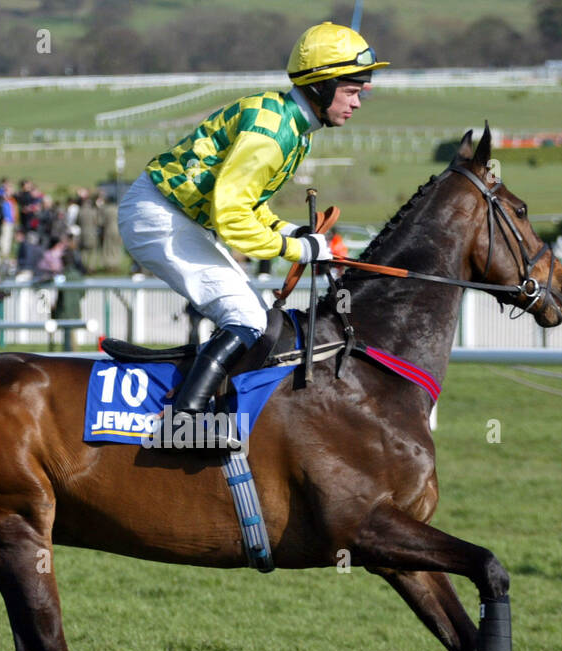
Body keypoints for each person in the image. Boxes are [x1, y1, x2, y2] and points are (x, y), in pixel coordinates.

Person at [117, 21, 387, 449]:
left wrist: (291, 231)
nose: (358, 102)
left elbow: (249, 205)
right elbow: (229, 216)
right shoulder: (274, 134)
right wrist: (295, 248)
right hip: (159, 217)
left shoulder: (288, 124)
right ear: (320, 85)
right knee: (246, 316)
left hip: (174, 214)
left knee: (256, 319)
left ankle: (209, 407)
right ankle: (183, 421)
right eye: (352, 90)